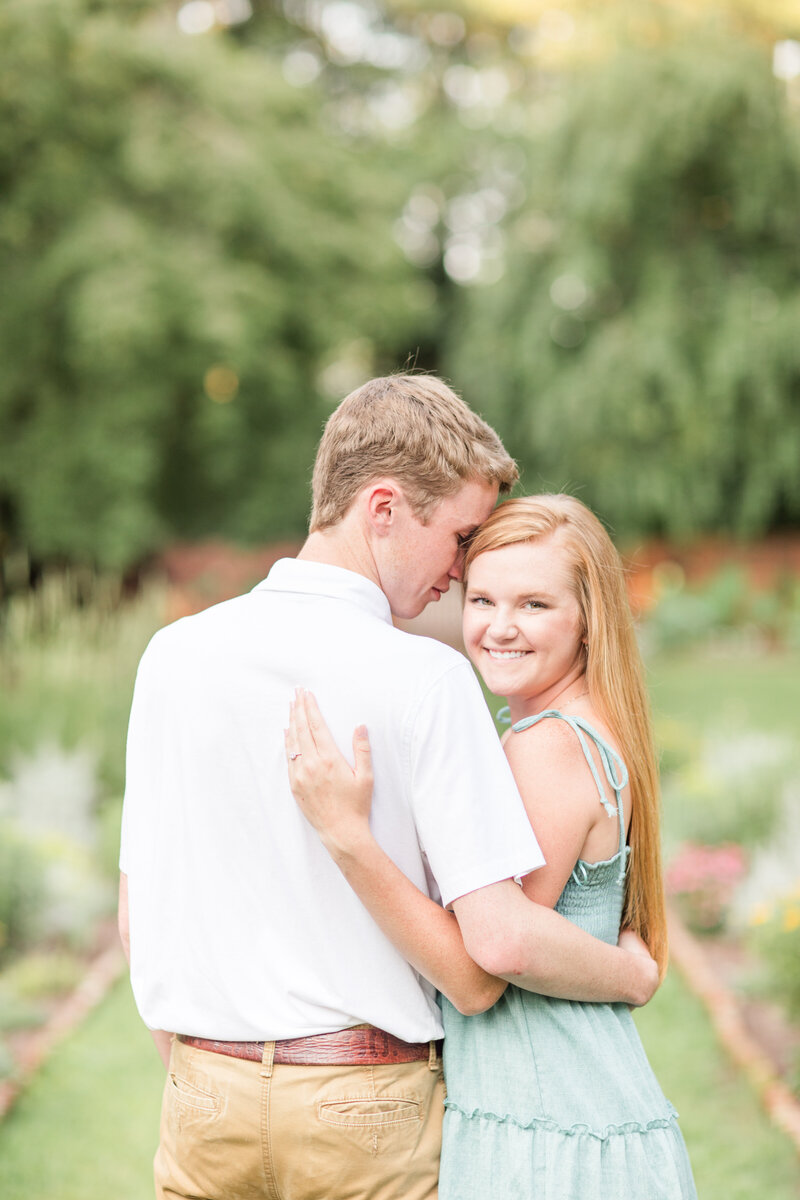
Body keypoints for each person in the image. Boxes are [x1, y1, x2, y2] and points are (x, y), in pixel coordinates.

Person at [119, 375, 658, 1200]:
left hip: (202, 1097)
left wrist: (214, 1069)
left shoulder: (173, 656)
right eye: (459, 535)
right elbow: (484, 973)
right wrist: (629, 973)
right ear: (382, 510)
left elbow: (137, 915)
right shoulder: (429, 680)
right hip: (366, 1105)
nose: (460, 566)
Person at [286, 493, 697, 1199]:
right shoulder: (572, 727)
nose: (499, 629)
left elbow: (499, 942)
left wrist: (349, 836)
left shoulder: (548, 746)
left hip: (547, 1128)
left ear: (588, 620)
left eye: (534, 605)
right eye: (482, 600)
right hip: (565, 1106)